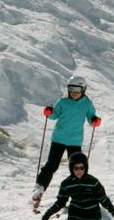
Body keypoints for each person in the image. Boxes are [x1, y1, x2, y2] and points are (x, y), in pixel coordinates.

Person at [32, 75, 100, 209]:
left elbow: (91, 118)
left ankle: (79, 196)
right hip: (59, 138)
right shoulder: (62, 102)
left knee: (78, 168)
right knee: (52, 165)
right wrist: (49, 112)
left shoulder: (87, 104)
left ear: (83, 90)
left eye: (77, 90)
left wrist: (94, 120)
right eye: (71, 90)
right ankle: (39, 189)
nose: (74, 93)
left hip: (75, 141)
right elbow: (54, 115)